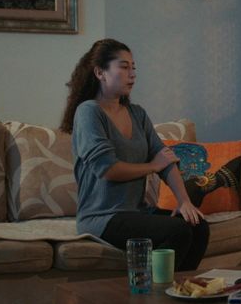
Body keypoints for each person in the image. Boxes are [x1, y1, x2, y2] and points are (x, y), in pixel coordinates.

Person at [59, 38, 209, 271]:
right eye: (124, 67)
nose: (132, 74)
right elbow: (108, 169)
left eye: (133, 68)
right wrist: (152, 166)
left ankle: (180, 288)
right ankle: (153, 289)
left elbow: (166, 159)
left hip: (137, 212)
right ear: (100, 72)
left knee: (198, 225)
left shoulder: (137, 114)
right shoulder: (88, 112)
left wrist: (184, 202)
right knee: (177, 231)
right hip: (102, 217)